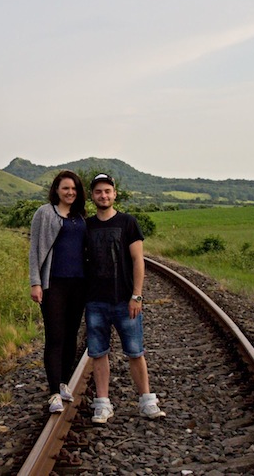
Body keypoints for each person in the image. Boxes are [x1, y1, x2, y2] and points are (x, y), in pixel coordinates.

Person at [85, 173, 166, 423]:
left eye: (107, 191)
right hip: (95, 300)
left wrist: (137, 296)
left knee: (135, 351)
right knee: (98, 353)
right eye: (98, 192)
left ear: (115, 193)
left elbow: (137, 261)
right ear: (92, 196)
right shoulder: (86, 225)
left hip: (125, 300)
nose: (103, 195)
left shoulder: (128, 222)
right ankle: (102, 404)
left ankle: (146, 401)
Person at [29, 170, 88, 414]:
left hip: (78, 284)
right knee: (55, 336)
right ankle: (53, 392)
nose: (70, 192)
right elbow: (34, 249)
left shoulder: (80, 217)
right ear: (56, 190)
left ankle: (64, 382)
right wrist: (35, 282)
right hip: (54, 284)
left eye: (74, 189)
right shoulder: (45, 212)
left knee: (71, 334)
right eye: (65, 188)